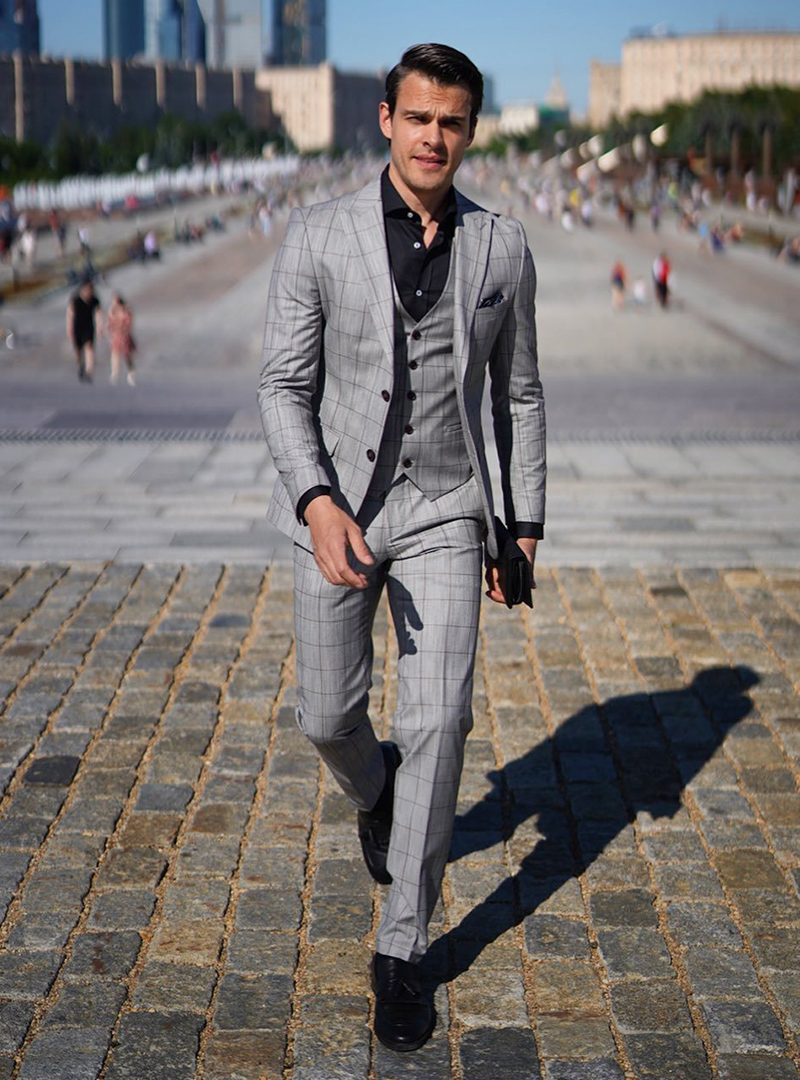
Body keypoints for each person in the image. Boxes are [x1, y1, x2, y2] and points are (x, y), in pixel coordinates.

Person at [258, 43, 545, 1053]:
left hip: (444, 506)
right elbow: (281, 388)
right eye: (418, 117)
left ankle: (403, 947)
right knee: (327, 716)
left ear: (470, 131)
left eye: (452, 122)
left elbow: (515, 395)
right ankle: (374, 794)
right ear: (385, 119)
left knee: (441, 719)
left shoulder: (500, 249)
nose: (434, 137)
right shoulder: (315, 234)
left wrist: (518, 526)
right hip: (337, 509)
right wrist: (314, 499)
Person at [66, 277, 102, 382]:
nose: (89, 292)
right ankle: (81, 366)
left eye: (90, 290)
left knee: (89, 347)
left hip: (89, 327)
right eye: (87, 289)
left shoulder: (94, 300)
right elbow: (69, 314)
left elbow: (98, 313)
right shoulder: (76, 300)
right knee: (78, 350)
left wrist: (100, 327)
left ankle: (89, 371)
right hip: (77, 327)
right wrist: (69, 328)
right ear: (82, 289)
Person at [106, 293, 136, 385]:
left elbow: (129, 322)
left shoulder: (125, 311)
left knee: (127, 355)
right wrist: (109, 330)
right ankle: (114, 373)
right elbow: (109, 323)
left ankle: (131, 372)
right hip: (116, 335)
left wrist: (125, 329)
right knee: (114, 354)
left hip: (124, 335)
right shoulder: (112, 311)